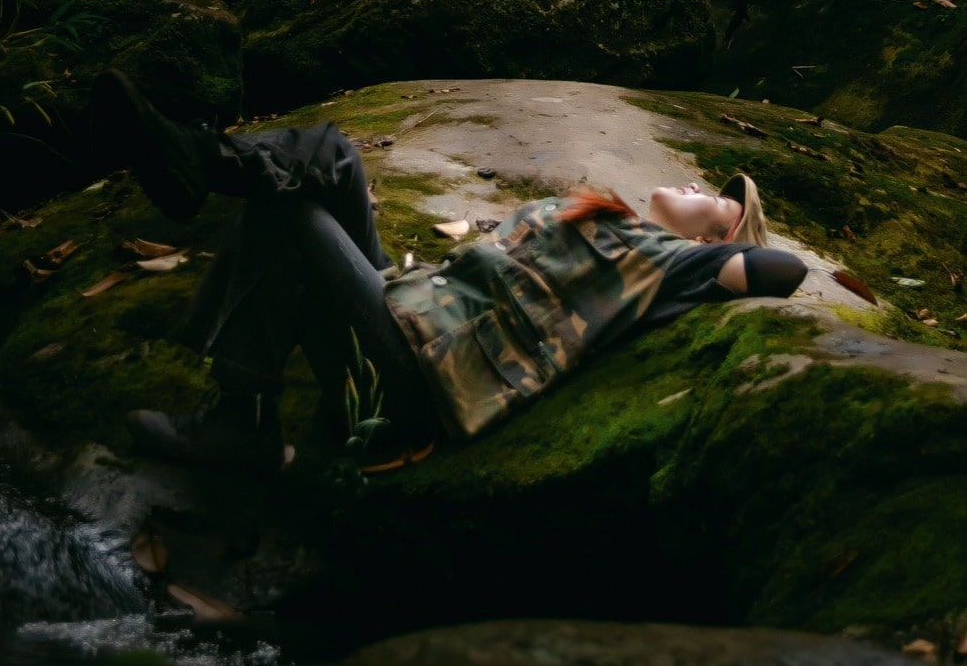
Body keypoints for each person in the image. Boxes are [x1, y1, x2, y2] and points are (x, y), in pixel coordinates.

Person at [94, 73, 807, 476]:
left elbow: (782, 270)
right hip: (411, 305)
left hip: (421, 372)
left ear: (716, 238)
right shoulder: (615, 224)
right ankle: (198, 158)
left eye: (717, 200)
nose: (694, 184)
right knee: (331, 155)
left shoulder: (669, 265)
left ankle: (241, 423)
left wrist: (715, 263)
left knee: (292, 219)